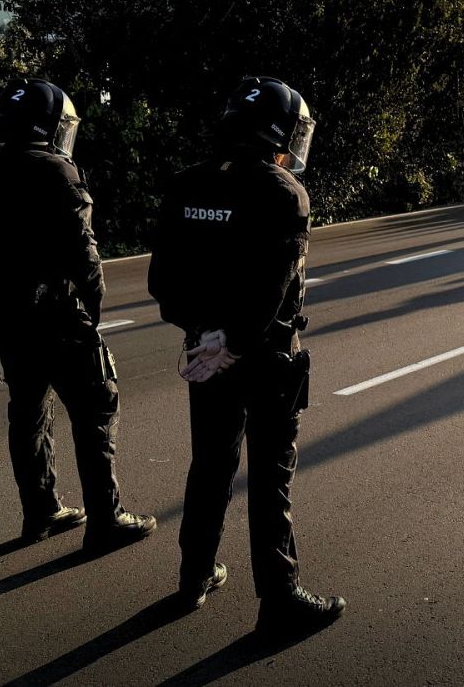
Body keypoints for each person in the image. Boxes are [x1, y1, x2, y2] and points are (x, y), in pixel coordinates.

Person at [149, 76, 345, 628]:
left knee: (209, 465)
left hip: (206, 353)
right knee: (270, 477)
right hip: (265, 357)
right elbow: (270, 293)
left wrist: (206, 335)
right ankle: (279, 598)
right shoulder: (282, 192)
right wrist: (233, 340)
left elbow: (162, 280)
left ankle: (194, 577)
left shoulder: (187, 185)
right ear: (282, 131)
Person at [0, 78, 156, 550]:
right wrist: (93, 306)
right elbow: (84, 253)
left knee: (27, 410)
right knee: (96, 407)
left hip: (1, 310)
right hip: (56, 312)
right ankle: (106, 520)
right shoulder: (56, 172)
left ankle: (40, 511)